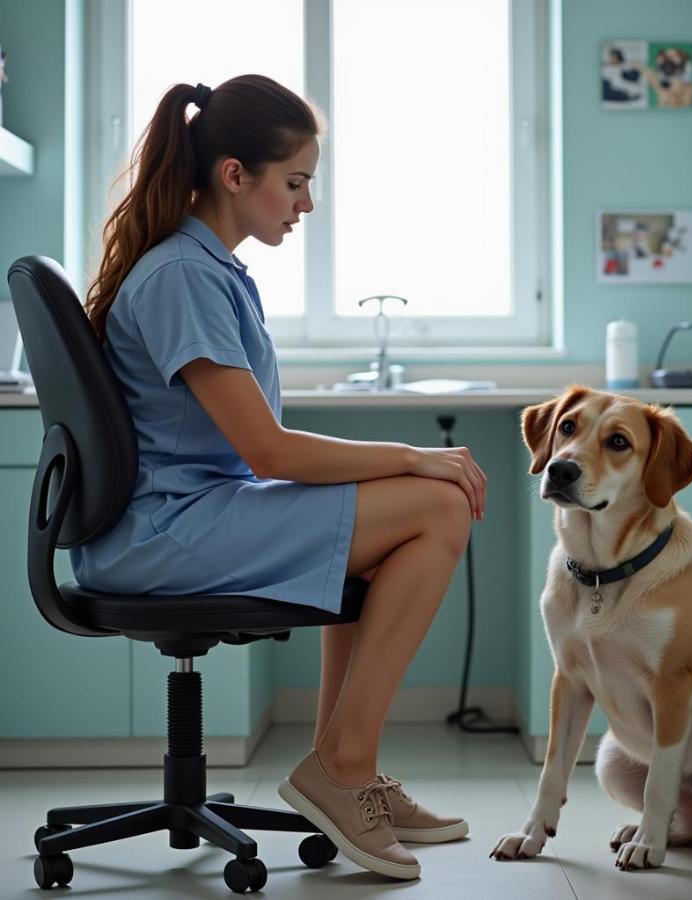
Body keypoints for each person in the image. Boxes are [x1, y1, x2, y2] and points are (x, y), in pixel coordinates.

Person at [79, 74, 487, 881]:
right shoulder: (184, 277)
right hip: (168, 532)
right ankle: (341, 770)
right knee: (436, 509)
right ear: (236, 176)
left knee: (387, 526)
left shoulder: (207, 269)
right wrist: (413, 456)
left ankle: (349, 769)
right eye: (295, 183)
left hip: (196, 513)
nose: (306, 204)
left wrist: (402, 465)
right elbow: (269, 452)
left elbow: (261, 448)